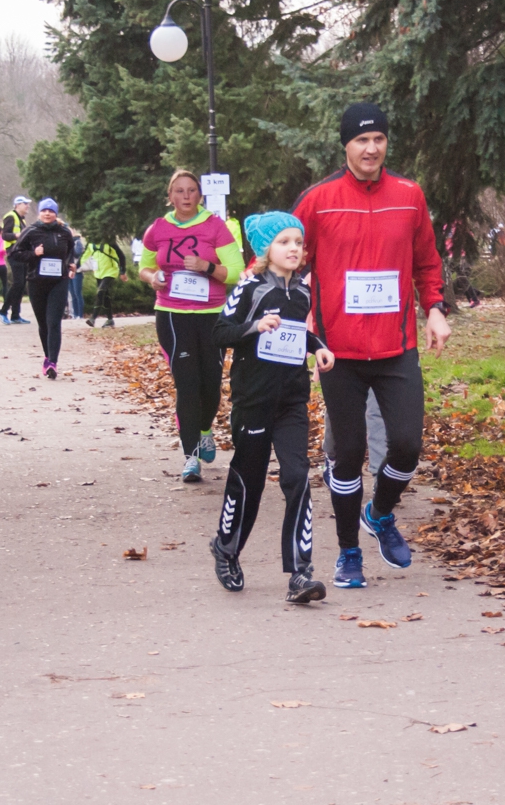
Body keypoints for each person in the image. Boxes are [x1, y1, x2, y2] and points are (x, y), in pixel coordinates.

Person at [291, 103, 449, 588]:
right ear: (346, 145)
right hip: (338, 351)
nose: (371, 148)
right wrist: (285, 312)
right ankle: (348, 553)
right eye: (361, 140)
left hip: (396, 346)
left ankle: (378, 514)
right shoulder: (319, 200)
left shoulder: (409, 195)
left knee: (406, 445)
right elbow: (286, 256)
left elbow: (427, 260)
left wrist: (435, 308)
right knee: (349, 452)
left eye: (378, 138)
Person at [209, 211, 334, 602]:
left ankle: (300, 573)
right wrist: (255, 327)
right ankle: (226, 548)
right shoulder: (250, 288)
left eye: (298, 242)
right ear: (266, 249)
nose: (294, 249)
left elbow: (299, 333)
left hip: (292, 400)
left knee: (298, 477)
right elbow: (220, 333)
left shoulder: (302, 292)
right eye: (284, 242)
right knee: (250, 480)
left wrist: (319, 348)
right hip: (254, 399)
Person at [140, 170, 244, 482]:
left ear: (200, 195)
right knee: (186, 384)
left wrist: (207, 267)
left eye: (191, 190)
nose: (186, 196)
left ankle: (204, 428)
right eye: (179, 191)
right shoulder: (158, 229)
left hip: (211, 315)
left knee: (210, 384)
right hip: (172, 314)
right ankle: (191, 457)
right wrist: (152, 278)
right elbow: (144, 267)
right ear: (170, 196)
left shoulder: (215, 226)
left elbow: (236, 272)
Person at [10, 197, 78, 379]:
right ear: (39, 213)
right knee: (43, 323)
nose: (47, 214)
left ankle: (53, 363)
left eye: (51, 211)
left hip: (59, 281)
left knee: (54, 322)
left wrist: (71, 264)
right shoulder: (31, 231)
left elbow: (70, 252)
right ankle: (47, 357)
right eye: (44, 211)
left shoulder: (64, 232)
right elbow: (15, 254)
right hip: (36, 282)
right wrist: (33, 253)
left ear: (56, 213)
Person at [0, 196, 32, 325]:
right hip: (14, 253)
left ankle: (15, 315)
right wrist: (17, 235)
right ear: (17, 205)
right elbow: (4, 235)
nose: (28, 206)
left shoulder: (21, 219)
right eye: (25, 203)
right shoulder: (11, 216)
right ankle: (3, 311)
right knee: (18, 283)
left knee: (21, 284)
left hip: (21, 253)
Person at [85, 235, 126, 328]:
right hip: (98, 273)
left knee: (100, 292)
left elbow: (121, 256)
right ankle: (110, 320)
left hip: (111, 271)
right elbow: (87, 256)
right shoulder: (91, 243)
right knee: (105, 296)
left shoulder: (110, 242)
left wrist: (122, 272)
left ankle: (93, 318)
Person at [68, 229, 86, 320]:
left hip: (77, 271)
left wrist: (70, 246)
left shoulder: (77, 242)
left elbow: (77, 254)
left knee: (77, 293)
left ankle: (80, 314)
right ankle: (75, 314)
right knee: (72, 294)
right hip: (68, 271)